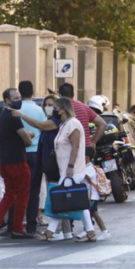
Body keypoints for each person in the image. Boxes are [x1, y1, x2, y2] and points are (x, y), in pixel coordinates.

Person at [39, 97, 96, 242]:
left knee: (61, 199)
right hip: (65, 169)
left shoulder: (73, 124)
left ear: (63, 109)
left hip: (73, 169)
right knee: (77, 201)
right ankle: (90, 232)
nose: (54, 110)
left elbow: (75, 146)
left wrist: (70, 167)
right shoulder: (64, 124)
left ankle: (50, 232)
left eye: (56, 107)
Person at [0, 88, 34, 240]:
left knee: (9, 195)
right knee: (23, 195)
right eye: (15, 98)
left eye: (19, 97)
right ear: (7, 100)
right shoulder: (14, 116)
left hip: (5, 161)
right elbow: (26, 139)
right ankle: (17, 228)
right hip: (18, 161)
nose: (18, 100)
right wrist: (29, 138)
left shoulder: (2, 115)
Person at [17, 81, 46, 234]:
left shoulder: (16, 109)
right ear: (32, 92)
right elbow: (44, 131)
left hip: (20, 152)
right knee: (34, 190)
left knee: (19, 189)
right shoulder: (39, 111)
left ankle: (17, 223)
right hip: (36, 153)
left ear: (19, 92)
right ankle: (32, 225)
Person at [83, 146, 111, 241]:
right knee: (93, 213)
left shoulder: (89, 168)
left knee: (89, 213)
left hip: (92, 196)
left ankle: (90, 231)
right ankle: (102, 231)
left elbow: (85, 177)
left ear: (87, 157)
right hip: (90, 196)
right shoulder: (88, 167)